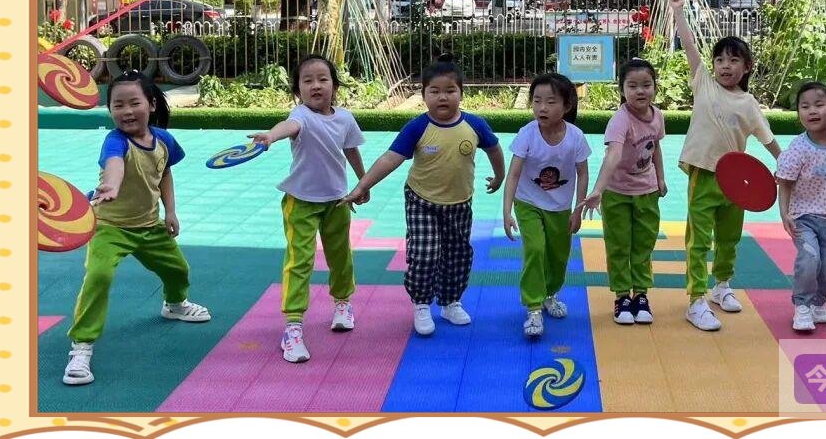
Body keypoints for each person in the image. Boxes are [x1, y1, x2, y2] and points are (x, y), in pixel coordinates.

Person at [63, 70, 211, 386]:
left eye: (134, 103)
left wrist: (171, 211)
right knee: (99, 276)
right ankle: (82, 346)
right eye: (118, 105)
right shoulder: (115, 141)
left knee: (178, 270)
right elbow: (114, 164)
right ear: (110, 110)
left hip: (148, 226)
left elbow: (165, 173)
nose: (126, 111)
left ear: (152, 104)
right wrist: (112, 185)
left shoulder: (164, 140)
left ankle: (175, 304)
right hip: (109, 227)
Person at [341, 54, 505, 336]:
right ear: (424, 95)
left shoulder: (475, 125)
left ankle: (450, 301)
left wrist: (499, 176)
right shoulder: (418, 127)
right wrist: (362, 185)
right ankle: (421, 303)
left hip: (459, 203)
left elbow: (494, 149)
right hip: (422, 202)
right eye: (435, 91)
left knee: (458, 255)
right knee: (425, 253)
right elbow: (390, 158)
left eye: (450, 91)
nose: (443, 97)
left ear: (461, 93)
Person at [670, 0, 782, 332]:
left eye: (733, 60)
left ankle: (721, 285)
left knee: (729, 237)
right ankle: (696, 300)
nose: (725, 66)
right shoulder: (703, 83)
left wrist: (785, 163)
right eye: (719, 59)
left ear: (746, 67)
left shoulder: (748, 103)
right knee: (698, 240)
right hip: (704, 174)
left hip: (736, 182)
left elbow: (767, 138)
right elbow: (689, 45)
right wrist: (678, 12)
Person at [248, 54, 366, 364]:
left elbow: (351, 149)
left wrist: (363, 182)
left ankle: (343, 303)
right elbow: (288, 126)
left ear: (334, 86)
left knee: (340, 256)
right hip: (300, 202)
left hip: (337, 201)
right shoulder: (300, 115)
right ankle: (293, 326)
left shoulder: (345, 119)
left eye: (323, 79)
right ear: (297, 89)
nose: (316, 85)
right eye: (307, 80)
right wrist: (271, 136)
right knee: (299, 261)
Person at [503, 73, 591, 338]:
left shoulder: (575, 137)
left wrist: (578, 210)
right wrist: (507, 211)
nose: (542, 107)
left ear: (567, 105)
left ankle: (549, 294)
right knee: (536, 249)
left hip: (560, 207)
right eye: (537, 100)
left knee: (558, 255)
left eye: (551, 102)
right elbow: (514, 174)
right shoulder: (527, 134)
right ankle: (533, 307)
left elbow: (583, 174)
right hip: (528, 202)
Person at [580, 58, 666, 325]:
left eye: (646, 85)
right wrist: (598, 190)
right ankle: (621, 297)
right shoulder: (620, 120)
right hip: (617, 193)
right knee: (619, 245)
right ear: (622, 90)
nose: (640, 91)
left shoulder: (657, 116)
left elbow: (655, 147)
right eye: (632, 86)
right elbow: (614, 154)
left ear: (655, 87)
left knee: (643, 244)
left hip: (647, 191)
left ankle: (640, 294)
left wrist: (661, 178)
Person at [776, 81, 826, 332]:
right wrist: (785, 214)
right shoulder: (798, 148)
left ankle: (818, 302)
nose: (812, 111)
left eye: (819, 105)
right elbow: (785, 183)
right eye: (805, 106)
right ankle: (802, 305)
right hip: (803, 217)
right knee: (810, 259)